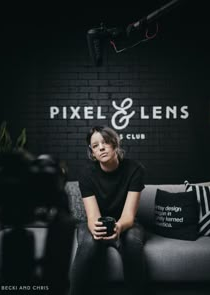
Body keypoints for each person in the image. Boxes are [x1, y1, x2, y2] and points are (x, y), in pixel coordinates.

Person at [69, 126, 146, 295]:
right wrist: (97, 229)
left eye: (105, 142)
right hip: (97, 220)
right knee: (89, 242)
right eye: (95, 146)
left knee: (132, 240)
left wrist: (118, 228)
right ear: (92, 153)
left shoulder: (135, 169)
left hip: (125, 222)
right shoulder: (86, 174)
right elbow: (93, 215)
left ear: (115, 143)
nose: (101, 148)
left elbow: (128, 215)